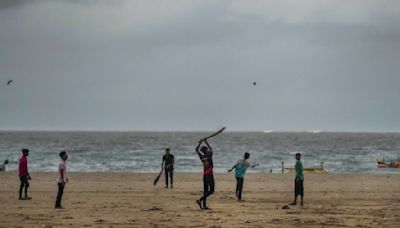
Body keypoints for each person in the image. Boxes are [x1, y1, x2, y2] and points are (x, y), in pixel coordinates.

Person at [195, 139, 215, 210]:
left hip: (205, 175)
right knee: (211, 190)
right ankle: (200, 200)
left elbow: (196, 150)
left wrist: (200, 143)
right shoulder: (209, 155)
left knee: (205, 190)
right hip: (209, 174)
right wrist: (206, 142)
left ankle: (204, 205)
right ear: (206, 150)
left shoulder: (202, 157)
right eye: (207, 150)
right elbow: (211, 149)